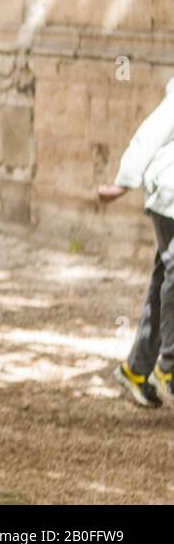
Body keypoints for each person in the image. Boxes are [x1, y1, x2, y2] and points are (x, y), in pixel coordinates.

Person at [99, 76, 174, 407]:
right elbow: (152, 131)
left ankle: (136, 367)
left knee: (164, 281)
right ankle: (169, 365)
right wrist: (124, 182)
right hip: (169, 196)